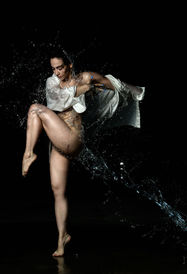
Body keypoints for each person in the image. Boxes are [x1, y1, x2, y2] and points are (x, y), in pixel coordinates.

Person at [21, 48, 145, 257]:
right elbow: (56, 101)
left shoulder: (84, 77)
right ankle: (62, 238)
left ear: (69, 65)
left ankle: (28, 154)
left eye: (60, 67)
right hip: (59, 142)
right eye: (53, 68)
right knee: (57, 190)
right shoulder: (52, 82)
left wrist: (133, 92)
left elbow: (111, 83)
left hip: (72, 139)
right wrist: (82, 89)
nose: (57, 72)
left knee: (35, 108)